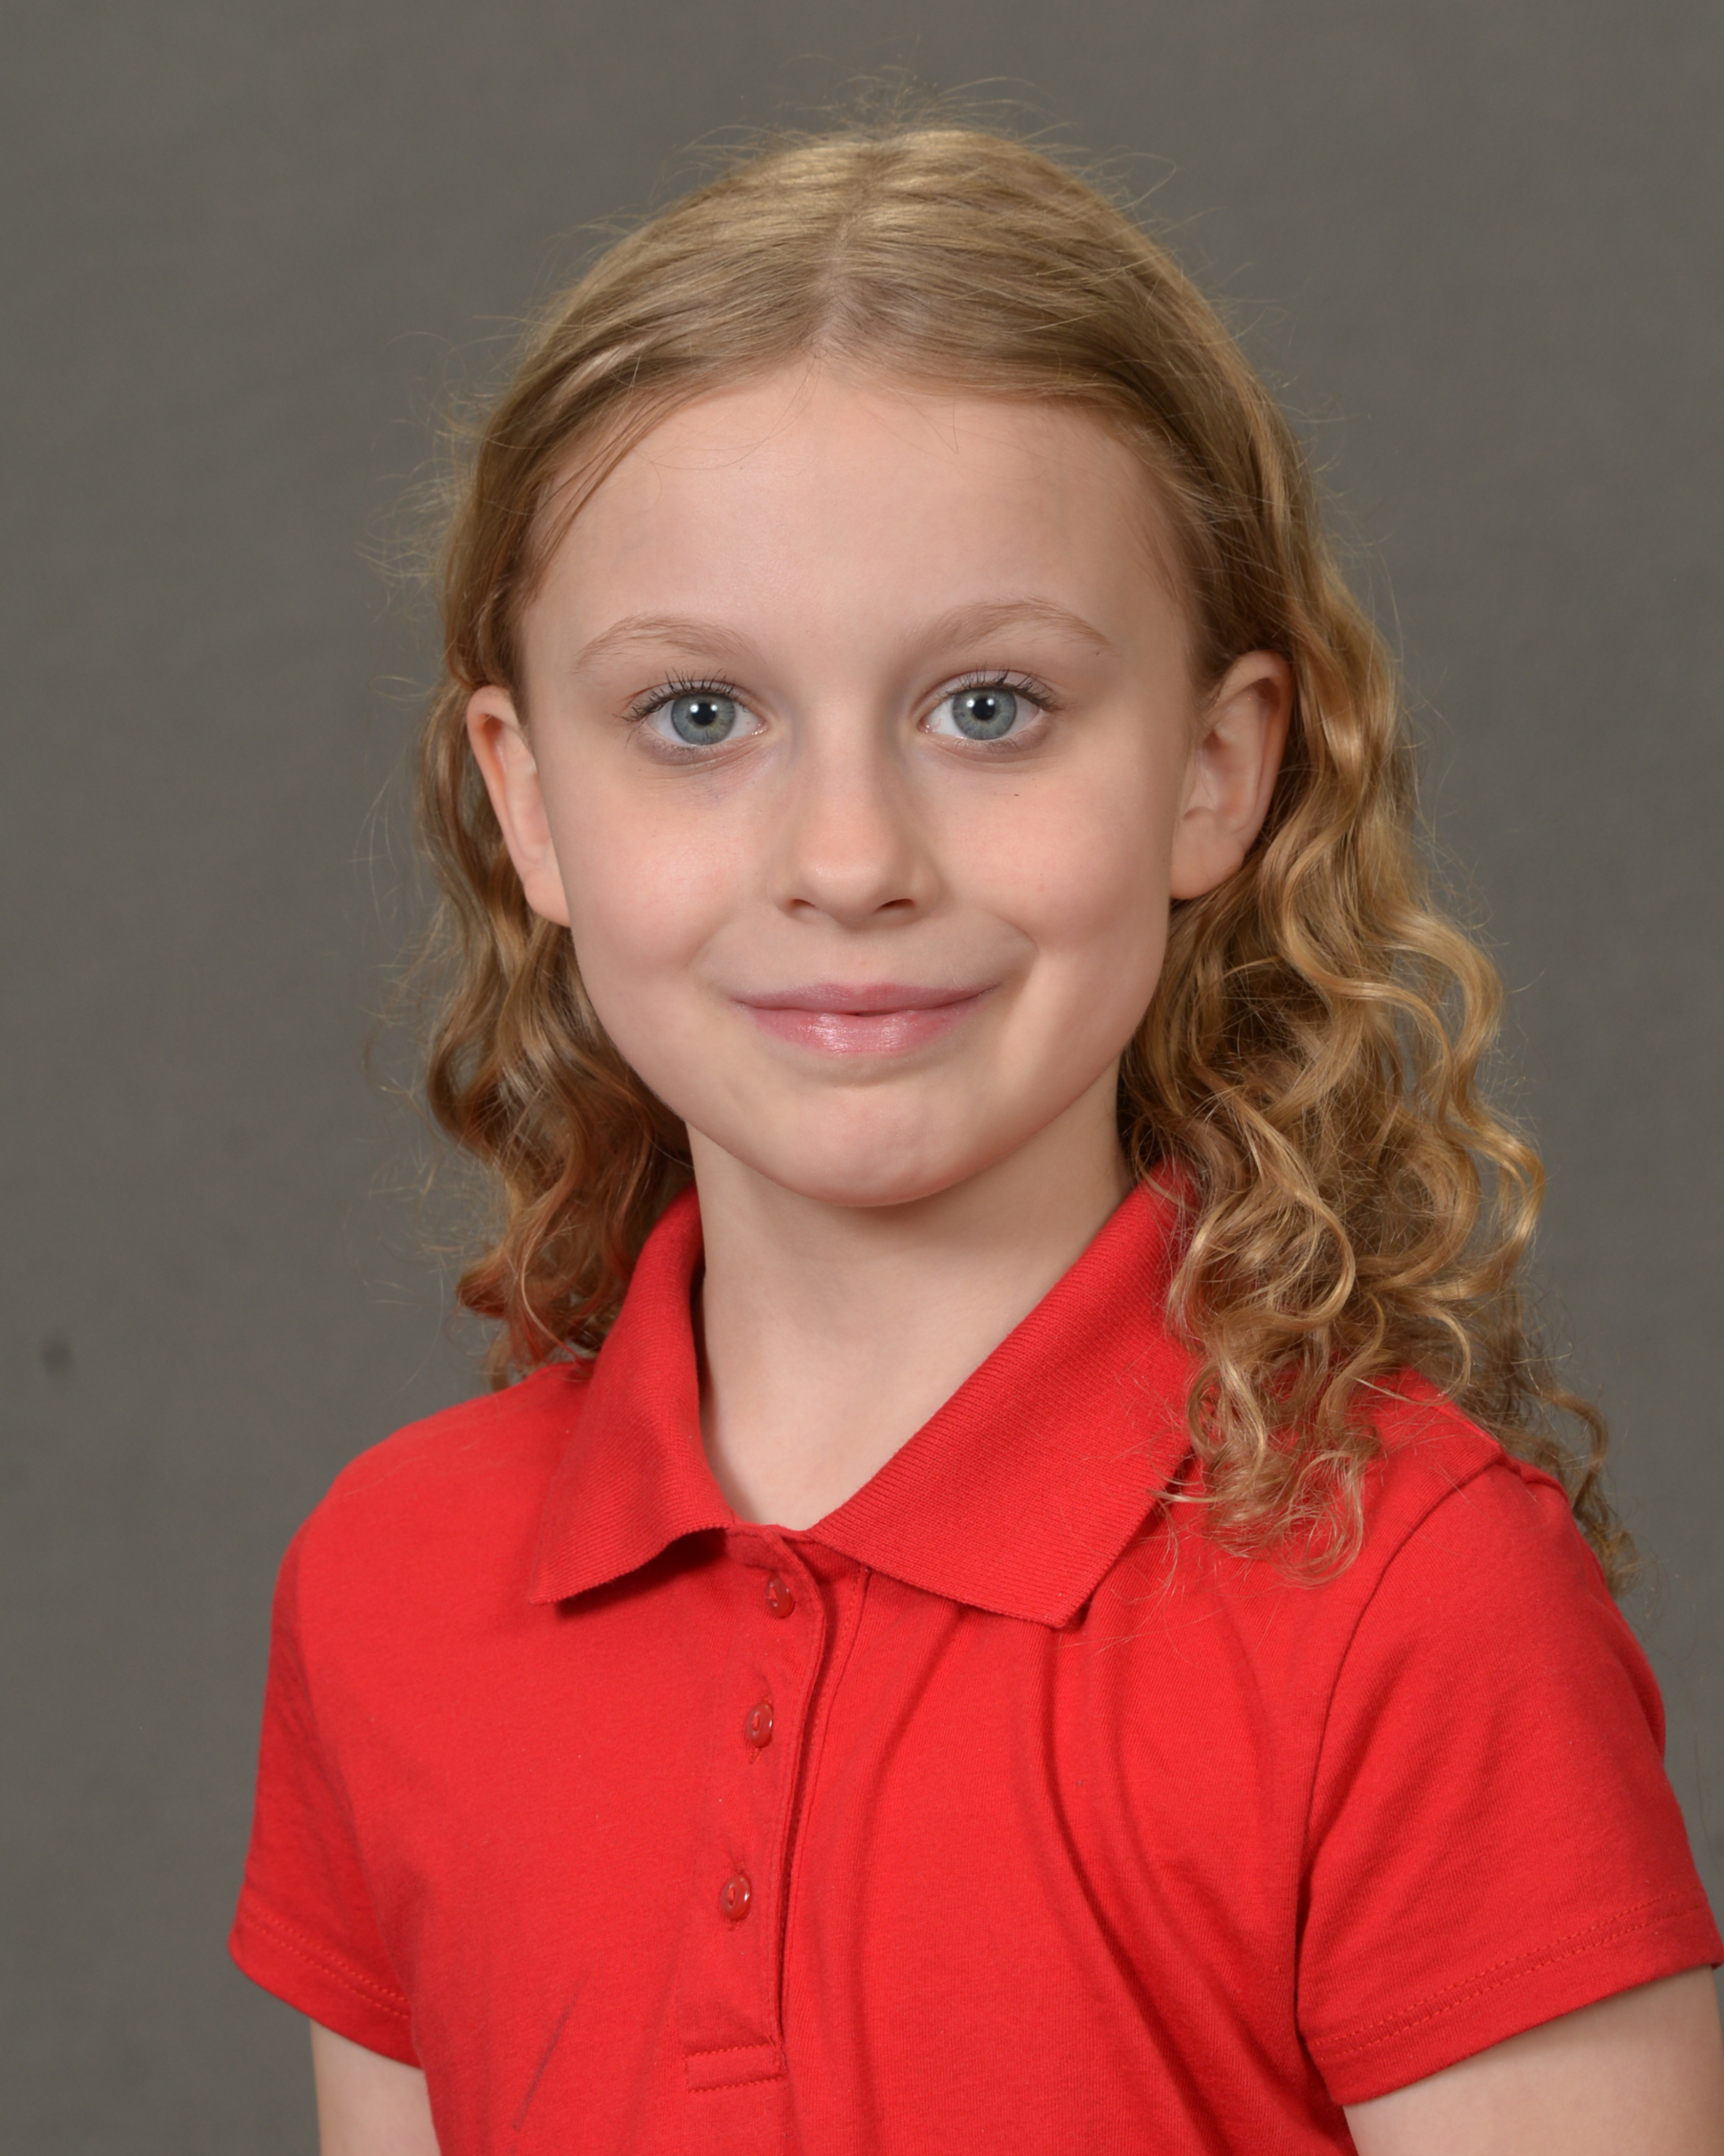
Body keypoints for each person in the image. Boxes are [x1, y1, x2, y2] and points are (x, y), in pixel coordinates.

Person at [229, 124, 1724, 2154]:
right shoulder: (388, 1586)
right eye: (696, 715)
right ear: (526, 800)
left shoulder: (1413, 1601)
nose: (849, 858)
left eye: (990, 707)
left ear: (1213, 769)